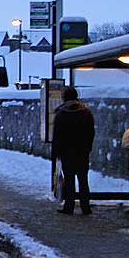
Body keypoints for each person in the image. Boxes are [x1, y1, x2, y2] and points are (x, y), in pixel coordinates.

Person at [51, 87, 95, 215]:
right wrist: (87, 147)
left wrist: (56, 153)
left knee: (69, 179)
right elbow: (90, 132)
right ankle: (85, 207)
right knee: (83, 179)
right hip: (82, 151)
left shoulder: (61, 114)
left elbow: (57, 136)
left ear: (64, 98)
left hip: (67, 152)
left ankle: (69, 206)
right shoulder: (86, 112)